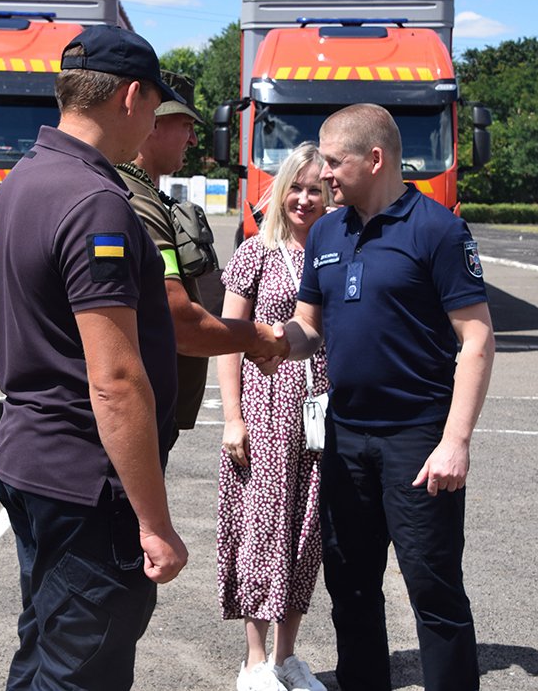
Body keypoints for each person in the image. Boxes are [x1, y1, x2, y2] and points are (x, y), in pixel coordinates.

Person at [0, 25, 189, 691]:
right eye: (156, 107)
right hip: (85, 480)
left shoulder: (27, 177)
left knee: (45, 650)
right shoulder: (98, 201)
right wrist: (155, 524)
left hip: (34, 461)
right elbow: (117, 380)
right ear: (132, 97)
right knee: (82, 671)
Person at [269, 104, 495, 691]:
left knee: (432, 587)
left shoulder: (437, 229)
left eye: (334, 161)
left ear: (375, 159)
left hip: (418, 439)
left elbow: (476, 339)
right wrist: (267, 342)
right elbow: (309, 326)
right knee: (350, 585)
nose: (323, 175)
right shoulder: (325, 231)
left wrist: (455, 442)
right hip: (344, 437)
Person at [217, 143, 334, 691]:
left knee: (307, 532)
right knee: (262, 529)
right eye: (297, 186)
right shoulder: (255, 253)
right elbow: (226, 342)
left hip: (322, 411)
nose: (305, 198)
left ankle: (288, 658)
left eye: (317, 188)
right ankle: (255, 661)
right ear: (280, 188)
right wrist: (232, 418)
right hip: (266, 409)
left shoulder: (336, 252)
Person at [117, 71, 290, 437]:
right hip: (136, 418)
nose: (195, 139)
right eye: (186, 125)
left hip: (149, 411)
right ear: (154, 123)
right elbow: (178, 319)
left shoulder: (147, 195)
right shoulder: (136, 201)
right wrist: (257, 337)